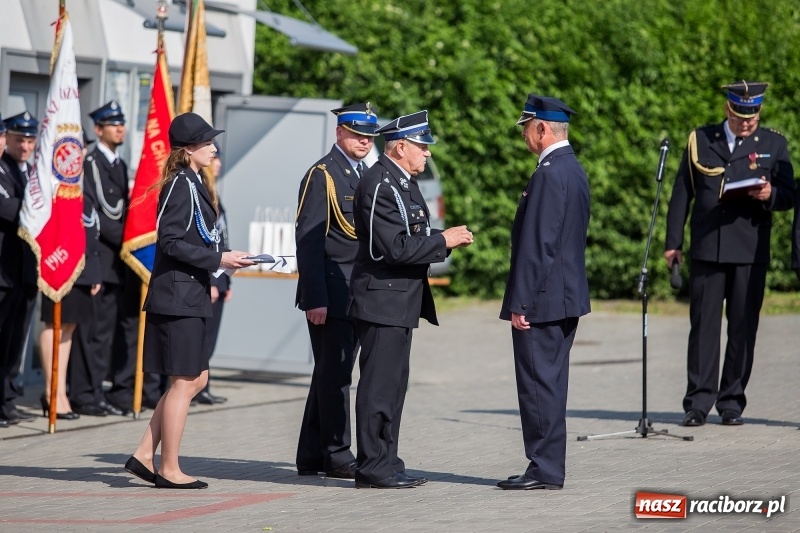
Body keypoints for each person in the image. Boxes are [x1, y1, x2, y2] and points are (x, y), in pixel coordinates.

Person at [124, 112, 254, 489]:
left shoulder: (194, 180)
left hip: (190, 292)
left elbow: (200, 237)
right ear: (188, 149)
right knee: (184, 381)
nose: (214, 147)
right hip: (177, 295)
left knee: (197, 379)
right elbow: (170, 242)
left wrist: (228, 256)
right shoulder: (181, 184)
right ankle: (168, 469)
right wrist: (218, 259)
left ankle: (144, 454)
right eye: (207, 142)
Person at [348, 110, 473, 489]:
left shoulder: (401, 181)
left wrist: (438, 240)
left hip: (399, 301)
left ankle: (388, 460)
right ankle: (372, 466)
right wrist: (443, 241)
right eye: (422, 145)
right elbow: (394, 249)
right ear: (400, 147)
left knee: (394, 387)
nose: (427, 153)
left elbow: (412, 235)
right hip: (381, 301)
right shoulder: (380, 184)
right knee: (377, 388)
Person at [665, 80, 795, 427]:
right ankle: (698, 402)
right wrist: (673, 242)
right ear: (728, 109)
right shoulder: (701, 139)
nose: (746, 123)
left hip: (750, 250)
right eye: (740, 117)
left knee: (742, 328)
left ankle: (732, 402)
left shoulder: (774, 143)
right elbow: (682, 193)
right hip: (708, 247)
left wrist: (770, 194)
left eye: (752, 117)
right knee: (703, 328)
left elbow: (789, 194)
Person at [496, 95, 590, 491]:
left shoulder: (550, 173)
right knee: (550, 383)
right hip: (564, 295)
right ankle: (547, 465)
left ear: (541, 128)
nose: (523, 136)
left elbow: (538, 245)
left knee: (538, 385)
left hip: (544, 300)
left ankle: (544, 468)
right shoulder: (572, 168)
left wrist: (521, 302)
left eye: (525, 128)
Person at [294, 102, 379, 479]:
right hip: (330, 293)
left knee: (329, 373)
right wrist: (316, 298)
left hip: (357, 292)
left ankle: (311, 455)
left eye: (369, 136)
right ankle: (337, 452)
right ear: (339, 133)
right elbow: (309, 242)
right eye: (357, 134)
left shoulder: (366, 174)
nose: (364, 141)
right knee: (336, 376)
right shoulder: (322, 176)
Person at [69, 100, 132, 417]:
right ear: (98, 129)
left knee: (104, 335)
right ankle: (83, 394)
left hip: (115, 264)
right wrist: (129, 241)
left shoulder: (119, 164)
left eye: (122, 123)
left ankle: (95, 392)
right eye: (112, 123)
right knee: (89, 334)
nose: (120, 128)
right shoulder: (90, 162)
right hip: (97, 260)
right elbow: (96, 215)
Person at [38, 134, 102, 420]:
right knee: (55, 324)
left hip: (81, 268)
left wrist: (93, 272)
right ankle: (51, 393)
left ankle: (60, 391)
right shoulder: (53, 182)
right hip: (59, 264)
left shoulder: (82, 185)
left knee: (70, 328)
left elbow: (90, 230)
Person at [0, 111, 39, 426]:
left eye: (29, 140)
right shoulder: (1, 169)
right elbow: (9, 209)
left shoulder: (34, 174)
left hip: (27, 272)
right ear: (7, 139)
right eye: (18, 140)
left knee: (15, 342)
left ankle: (8, 399)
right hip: (4, 270)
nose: (25, 146)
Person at [193, 143, 229, 405]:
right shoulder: (199, 192)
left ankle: (204, 384)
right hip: (209, 277)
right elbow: (204, 243)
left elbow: (221, 238)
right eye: (214, 158)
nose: (217, 163)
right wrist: (214, 280)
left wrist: (226, 280)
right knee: (202, 338)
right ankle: (197, 386)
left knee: (211, 338)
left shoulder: (213, 193)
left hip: (219, 277)